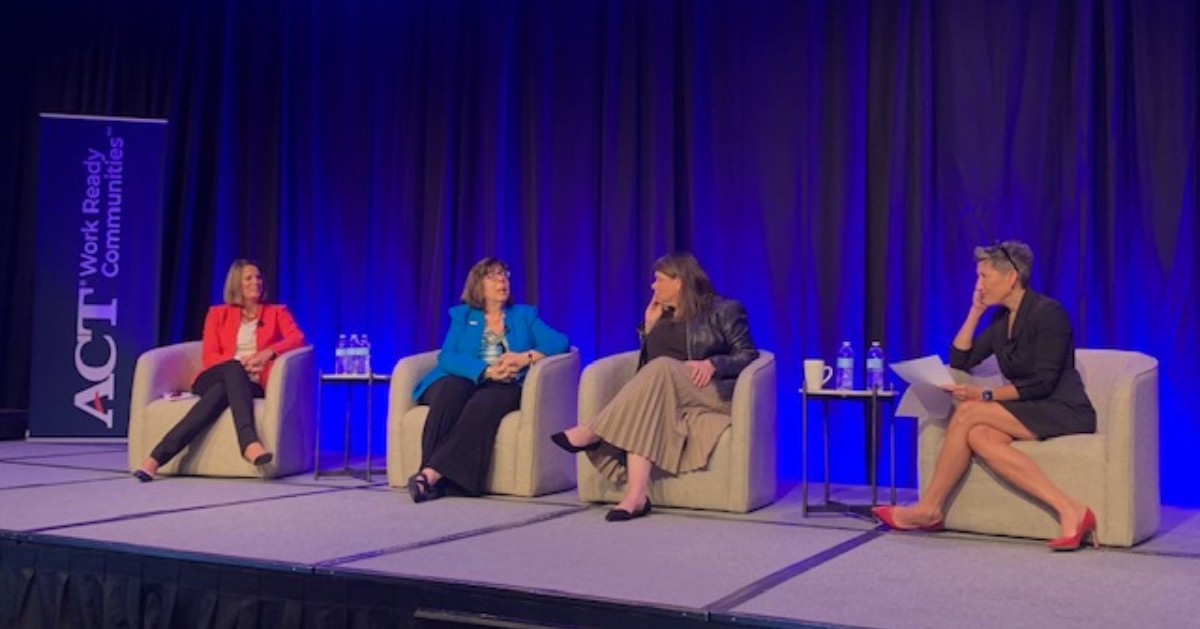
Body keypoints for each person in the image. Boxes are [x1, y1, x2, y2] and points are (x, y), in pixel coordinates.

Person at [873, 241, 1099, 550]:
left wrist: (985, 394)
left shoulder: (1049, 314)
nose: (978, 285)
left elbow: (1043, 384)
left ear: (1011, 277)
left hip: (1064, 409)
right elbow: (961, 359)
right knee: (979, 435)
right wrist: (975, 311)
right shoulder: (1000, 321)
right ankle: (1070, 508)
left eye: (984, 277)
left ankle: (928, 508)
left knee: (968, 413)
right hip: (1032, 406)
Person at [552, 252, 759, 521]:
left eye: (658, 279)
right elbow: (646, 374)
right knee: (645, 408)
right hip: (670, 395)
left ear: (679, 282)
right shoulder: (661, 316)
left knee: (663, 367)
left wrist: (713, 364)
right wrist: (649, 330)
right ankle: (636, 496)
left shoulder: (724, 309)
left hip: (710, 393)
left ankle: (593, 430)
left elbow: (748, 354)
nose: (652, 286)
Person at [407, 257, 569, 502]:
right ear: (478, 285)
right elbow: (446, 356)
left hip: (505, 383)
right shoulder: (463, 316)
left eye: (504, 274)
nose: (502, 280)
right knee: (449, 391)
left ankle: (429, 475)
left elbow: (560, 342)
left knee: (483, 405)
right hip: (465, 377)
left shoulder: (524, 315)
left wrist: (525, 357)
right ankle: (434, 477)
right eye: (493, 276)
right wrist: (485, 371)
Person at [134, 259, 306, 481]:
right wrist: (240, 363)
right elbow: (210, 356)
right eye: (249, 278)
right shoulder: (218, 314)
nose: (257, 282)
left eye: (259, 277)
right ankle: (248, 443)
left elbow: (298, 339)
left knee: (218, 396)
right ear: (236, 284)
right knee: (232, 371)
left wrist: (268, 352)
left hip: (251, 384)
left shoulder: (277, 312)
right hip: (213, 375)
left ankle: (155, 458)